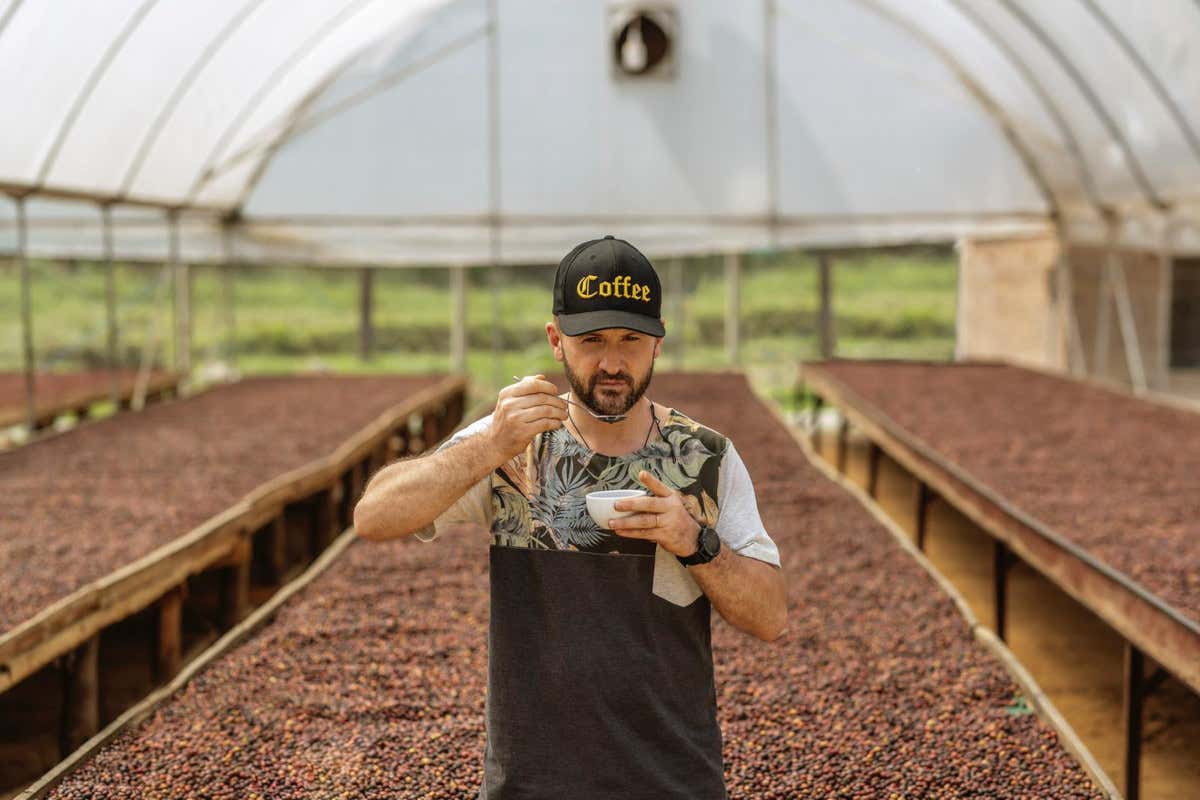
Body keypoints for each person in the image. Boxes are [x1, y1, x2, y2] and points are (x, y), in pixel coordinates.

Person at [354, 235, 787, 799]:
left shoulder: (705, 458)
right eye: (592, 341)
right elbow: (374, 516)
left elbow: (771, 617)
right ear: (556, 341)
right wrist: (488, 445)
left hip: (672, 783)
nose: (612, 362)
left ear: (658, 343)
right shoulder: (515, 445)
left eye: (631, 339)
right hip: (531, 784)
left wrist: (694, 540)